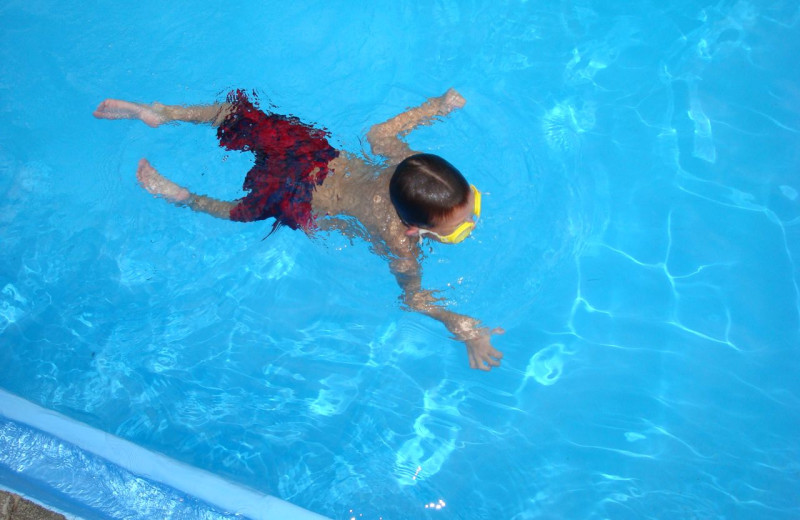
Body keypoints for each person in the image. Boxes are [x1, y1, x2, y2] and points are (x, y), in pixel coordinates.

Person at [93, 88, 504, 371]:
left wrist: (436, 106)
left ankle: (163, 112)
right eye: (460, 226)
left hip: (314, 155)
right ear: (415, 230)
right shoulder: (401, 244)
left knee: (241, 118)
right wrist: (464, 328)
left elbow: (378, 133)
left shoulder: (407, 162)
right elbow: (414, 299)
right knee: (242, 211)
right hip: (300, 193)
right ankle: (185, 197)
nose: (472, 221)